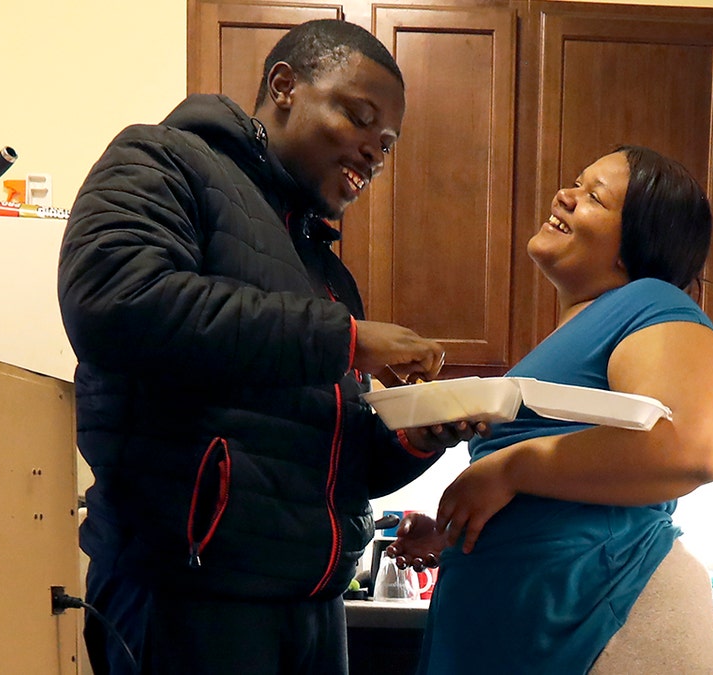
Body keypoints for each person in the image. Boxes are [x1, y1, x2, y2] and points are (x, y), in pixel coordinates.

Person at [58, 19, 483, 675]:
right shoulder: (163, 160)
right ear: (284, 86)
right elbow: (117, 301)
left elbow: (323, 460)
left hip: (309, 606)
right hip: (187, 596)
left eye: (387, 143)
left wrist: (416, 439)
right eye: (358, 116)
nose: (373, 150)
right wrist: (344, 338)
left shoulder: (323, 269)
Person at [388, 146, 713, 674]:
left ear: (634, 243)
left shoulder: (653, 302)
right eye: (576, 182)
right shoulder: (581, 330)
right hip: (547, 621)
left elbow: (693, 450)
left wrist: (510, 469)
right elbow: (576, 475)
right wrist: (457, 528)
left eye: (594, 196)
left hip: (608, 617)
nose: (565, 196)